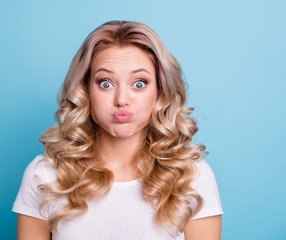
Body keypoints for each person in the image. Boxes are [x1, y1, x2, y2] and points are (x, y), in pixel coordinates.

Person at [12, 20, 223, 240]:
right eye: (105, 83)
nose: (122, 100)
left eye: (139, 83)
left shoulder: (191, 176)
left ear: (160, 91)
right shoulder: (45, 174)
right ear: (85, 91)